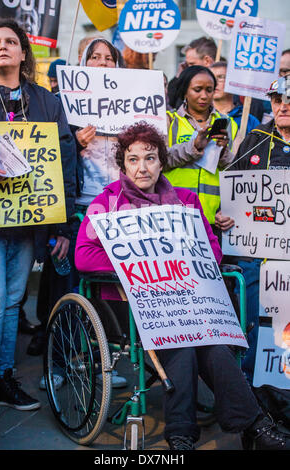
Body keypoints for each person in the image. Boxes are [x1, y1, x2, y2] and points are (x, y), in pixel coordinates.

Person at [75, 121, 290, 450]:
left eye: (150, 157)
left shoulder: (185, 201)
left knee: (213, 345)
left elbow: (212, 251)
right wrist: (134, 265)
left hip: (187, 299)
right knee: (184, 343)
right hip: (132, 304)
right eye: (133, 159)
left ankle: (251, 426)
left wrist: (183, 261)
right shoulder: (106, 205)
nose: (142, 167)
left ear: (162, 161)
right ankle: (184, 433)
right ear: (123, 165)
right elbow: (84, 257)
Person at [0, 19, 76, 421]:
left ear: (24, 53)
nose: (3, 47)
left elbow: (65, 161)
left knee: (11, 303)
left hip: (26, 223)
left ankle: (3, 377)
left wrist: (62, 225)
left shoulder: (46, 102)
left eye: (11, 42)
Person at [29, 37, 127, 389]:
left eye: (109, 57)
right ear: (82, 65)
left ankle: (99, 363)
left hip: (116, 211)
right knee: (65, 290)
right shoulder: (60, 107)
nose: (102, 62)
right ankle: (56, 366)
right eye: (95, 57)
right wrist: (71, 138)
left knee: (105, 293)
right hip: (75, 214)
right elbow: (43, 160)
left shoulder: (128, 107)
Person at [215, 76, 290, 385]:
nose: (283, 105)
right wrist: (224, 215)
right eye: (277, 99)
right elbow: (232, 194)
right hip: (258, 258)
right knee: (259, 329)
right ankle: (256, 398)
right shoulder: (257, 139)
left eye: (289, 99)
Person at [163, 65, 238, 227]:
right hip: (175, 215)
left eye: (209, 90)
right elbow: (160, 162)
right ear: (185, 91)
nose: (204, 96)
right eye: (197, 90)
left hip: (214, 219)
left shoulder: (230, 125)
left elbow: (237, 170)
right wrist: (193, 147)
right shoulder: (169, 121)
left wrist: (223, 151)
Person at [210, 61, 260, 140]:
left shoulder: (249, 120)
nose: (215, 83)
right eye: (211, 78)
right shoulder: (202, 116)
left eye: (221, 77)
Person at [168, 37, 217, 109]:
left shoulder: (225, 88)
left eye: (191, 64)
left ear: (207, 61)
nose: (187, 68)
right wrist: (178, 77)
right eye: (197, 90)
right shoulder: (187, 83)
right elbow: (173, 103)